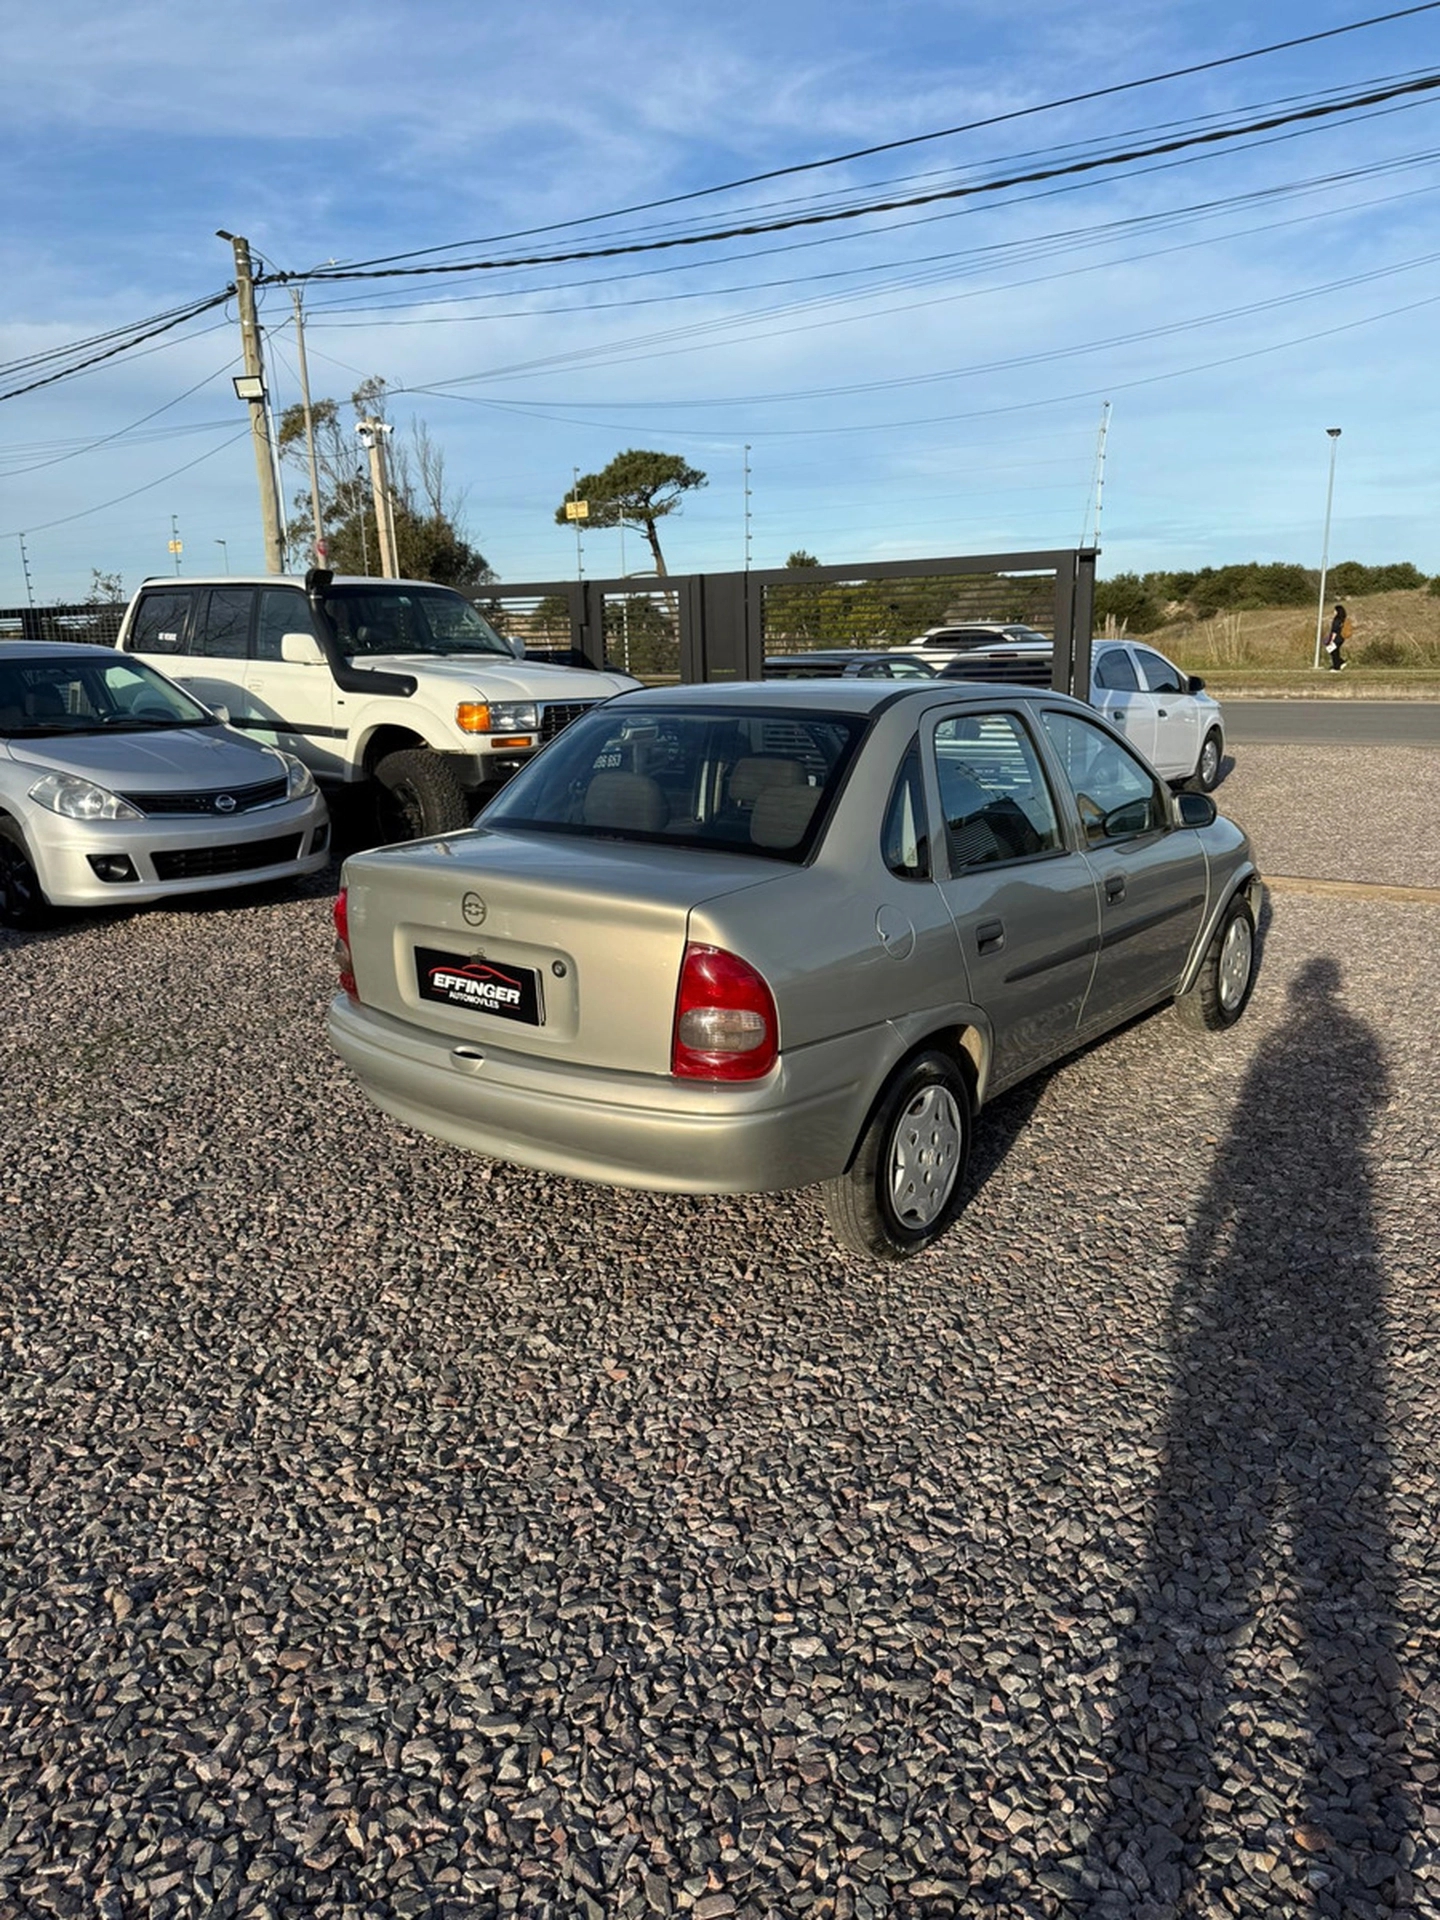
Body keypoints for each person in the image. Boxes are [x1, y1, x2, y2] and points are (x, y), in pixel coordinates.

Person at [1327, 602, 1349, 670]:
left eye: (1335, 610)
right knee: (1334, 651)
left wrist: (1331, 640)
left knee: (1333, 652)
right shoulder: (1342, 619)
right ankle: (1340, 662)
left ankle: (1337, 666)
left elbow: (1334, 631)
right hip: (1341, 638)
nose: (1334, 612)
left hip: (1336, 638)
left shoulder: (1336, 620)